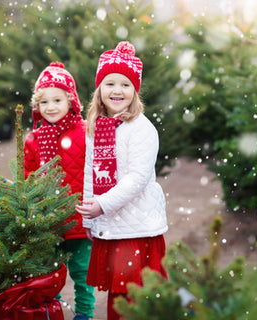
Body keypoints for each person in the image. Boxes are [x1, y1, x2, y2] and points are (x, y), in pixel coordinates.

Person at [75, 41, 169, 320]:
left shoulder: (141, 129)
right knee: (118, 298)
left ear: (135, 91)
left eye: (125, 84)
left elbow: (137, 179)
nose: (117, 90)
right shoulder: (96, 127)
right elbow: (91, 173)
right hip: (112, 226)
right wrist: (90, 220)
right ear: (99, 90)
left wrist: (102, 205)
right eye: (110, 83)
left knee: (139, 295)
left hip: (137, 228)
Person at [24, 62, 95, 320]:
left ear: (71, 101)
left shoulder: (87, 132)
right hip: (48, 222)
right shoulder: (33, 140)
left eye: (57, 100)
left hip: (78, 220)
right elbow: (28, 181)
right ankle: (51, 312)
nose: (51, 107)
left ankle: (84, 314)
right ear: (37, 106)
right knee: (48, 275)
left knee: (82, 272)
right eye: (44, 102)